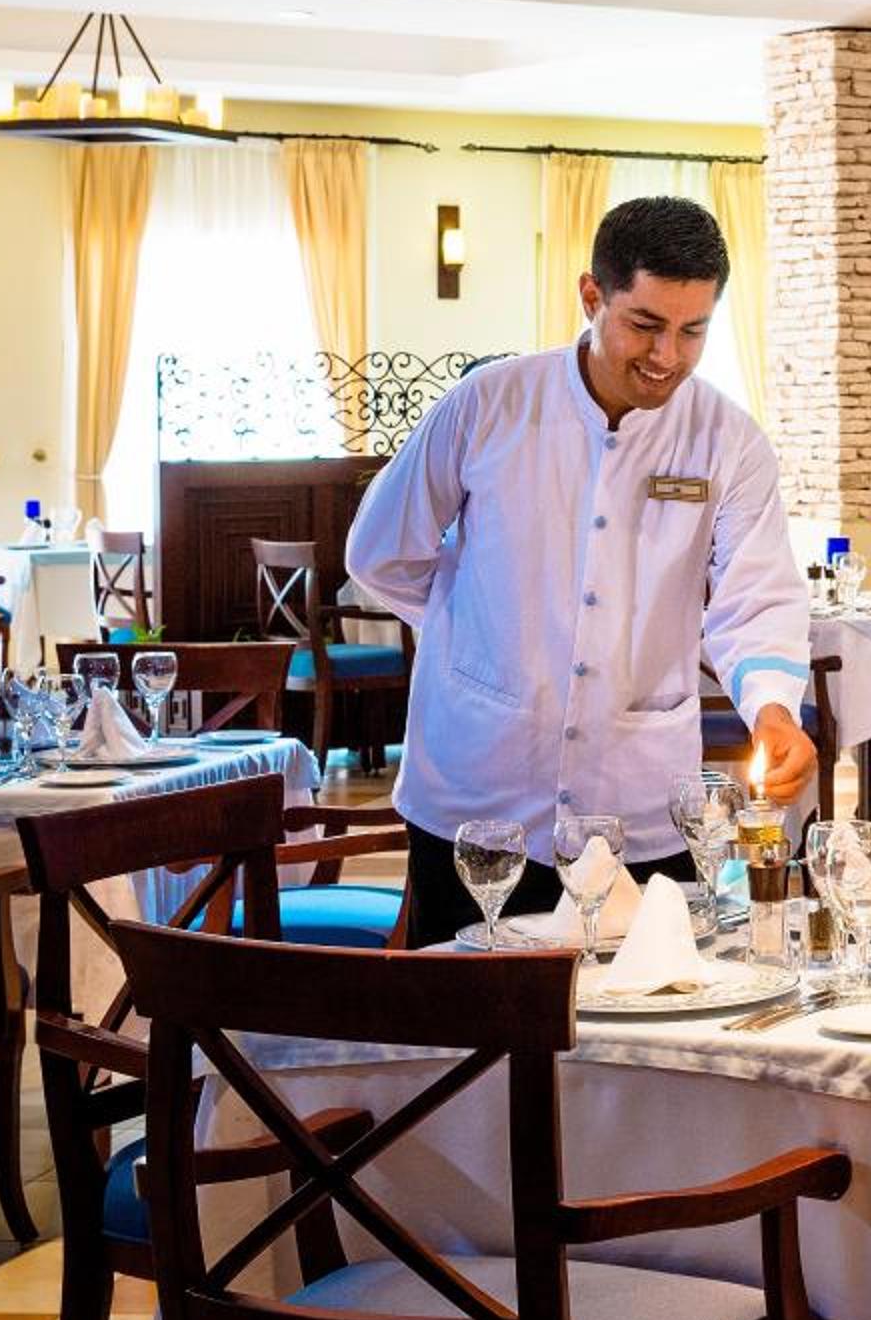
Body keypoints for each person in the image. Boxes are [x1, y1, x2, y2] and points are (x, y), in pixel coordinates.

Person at [348, 195, 816, 946]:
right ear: (592, 296)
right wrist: (476, 635)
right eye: (645, 325)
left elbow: (754, 598)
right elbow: (381, 551)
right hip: (476, 800)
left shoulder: (729, 440)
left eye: (692, 331)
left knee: (652, 1000)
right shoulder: (488, 404)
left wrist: (772, 708)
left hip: (641, 802)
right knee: (468, 1009)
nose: (667, 356)